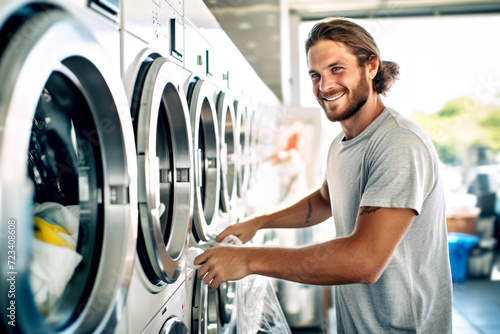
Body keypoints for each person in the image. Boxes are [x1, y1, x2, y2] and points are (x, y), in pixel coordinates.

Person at [194, 17, 453, 333]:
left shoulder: (398, 144)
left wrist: (248, 259)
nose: (325, 85)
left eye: (336, 69)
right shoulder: (342, 144)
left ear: (371, 66)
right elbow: (325, 199)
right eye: (315, 75)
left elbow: (364, 260)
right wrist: (257, 223)